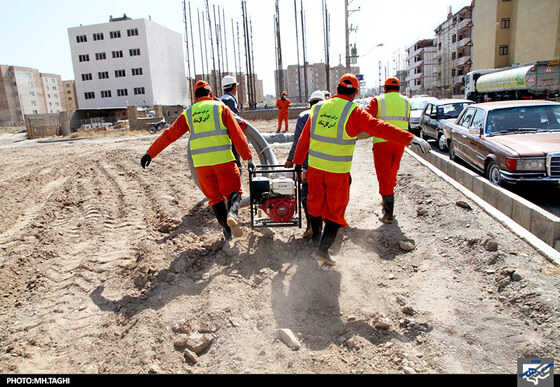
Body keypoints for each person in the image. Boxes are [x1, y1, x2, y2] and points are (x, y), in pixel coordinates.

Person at [292, 74, 430, 267]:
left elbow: (304, 140)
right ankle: (322, 250)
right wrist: (410, 138)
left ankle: (316, 242)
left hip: (314, 170)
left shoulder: (318, 108)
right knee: (335, 212)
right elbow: (381, 128)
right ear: (355, 93)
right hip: (337, 173)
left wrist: (297, 163)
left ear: (337, 88)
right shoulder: (354, 112)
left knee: (314, 205)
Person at [140, 80, 255, 240]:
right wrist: (248, 158)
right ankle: (233, 215)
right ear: (212, 95)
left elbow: (169, 135)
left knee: (215, 199)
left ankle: (227, 232)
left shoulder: (189, 113)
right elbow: (238, 135)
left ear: (196, 98)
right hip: (224, 162)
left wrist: (149, 153)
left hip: (201, 166)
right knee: (234, 192)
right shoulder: (221, 108)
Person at [366, 77, 410, 224]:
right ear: (398, 88)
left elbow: (366, 120)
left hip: (382, 143)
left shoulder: (377, 101)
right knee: (392, 172)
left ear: (385, 88)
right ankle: (388, 204)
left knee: (384, 174)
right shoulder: (406, 102)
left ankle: (388, 213)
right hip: (400, 142)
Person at [284, 90, 326, 239]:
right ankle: (329, 227)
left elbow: (299, 141)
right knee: (327, 195)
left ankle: (312, 226)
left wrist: (292, 160)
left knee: (307, 195)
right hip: (330, 165)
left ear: (310, 103)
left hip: (310, 165)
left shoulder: (304, 116)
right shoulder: (329, 115)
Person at [219, 75, 243, 173]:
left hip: (222, 136)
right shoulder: (230, 100)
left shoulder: (221, 99)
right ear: (234, 87)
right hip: (231, 137)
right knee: (235, 162)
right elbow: (232, 121)